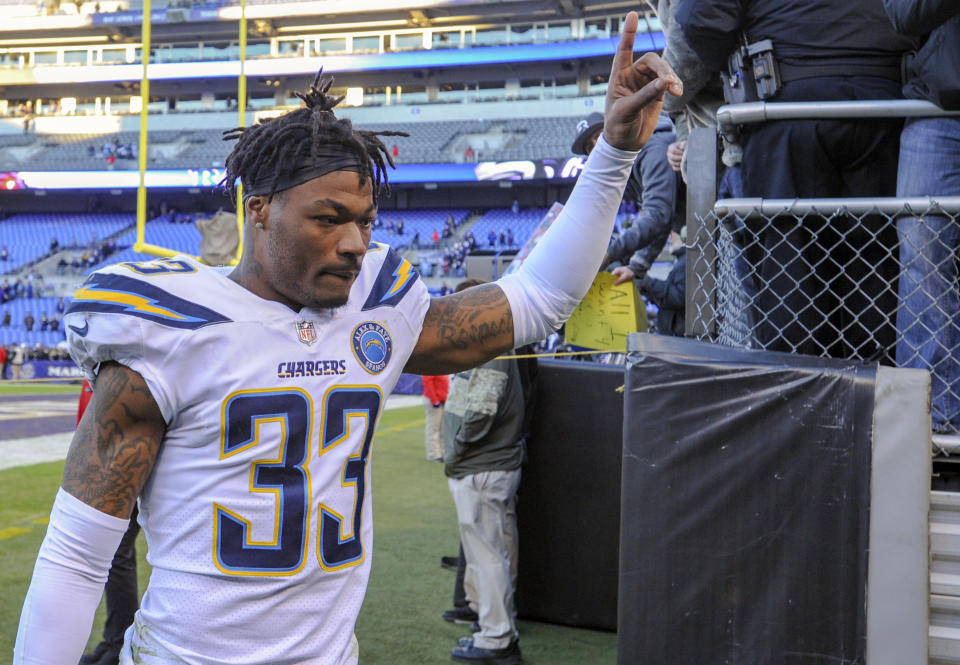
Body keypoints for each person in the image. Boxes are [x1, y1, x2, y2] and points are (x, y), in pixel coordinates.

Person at [14, 21, 681, 664]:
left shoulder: (377, 308)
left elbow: (536, 299)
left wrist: (616, 151)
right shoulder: (169, 329)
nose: (355, 242)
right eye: (328, 219)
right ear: (259, 210)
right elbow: (76, 553)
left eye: (365, 220)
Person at [675, 0, 916, 360]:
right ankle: (873, 397)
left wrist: (731, 61)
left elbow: (700, 17)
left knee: (790, 271)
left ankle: (801, 397)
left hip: (786, 103)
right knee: (872, 268)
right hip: (882, 99)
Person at [882, 0, 960, 435]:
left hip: (939, 105)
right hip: (941, 107)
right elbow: (903, 13)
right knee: (921, 258)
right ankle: (932, 426)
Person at [443, 279, 526, 664]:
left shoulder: (492, 346)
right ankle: (496, 630)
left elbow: (480, 412)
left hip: (482, 465)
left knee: (488, 555)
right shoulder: (497, 344)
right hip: (489, 464)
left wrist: (456, 450)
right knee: (490, 553)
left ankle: (496, 638)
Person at [77, 379, 142, 665]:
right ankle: (114, 639)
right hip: (104, 460)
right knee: (117, 555)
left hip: (124, 462)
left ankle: (119, 643)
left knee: (116, 554)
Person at [574, 111, 678, 278]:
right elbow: (660, 221)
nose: (595, 145)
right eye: (589, 147)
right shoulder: (628, 163)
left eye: (599, 135)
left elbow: (658, 216)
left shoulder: (652, 147)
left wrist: (609, 254)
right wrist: (637, 266)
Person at [422, 373, 450, 461]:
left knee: (443, 429)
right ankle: (433, 454)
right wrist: (434, 400)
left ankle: (443, 453)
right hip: (433, 400)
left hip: (443, 400)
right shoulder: (432, 366)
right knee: (433, 428)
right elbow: (427, 382)